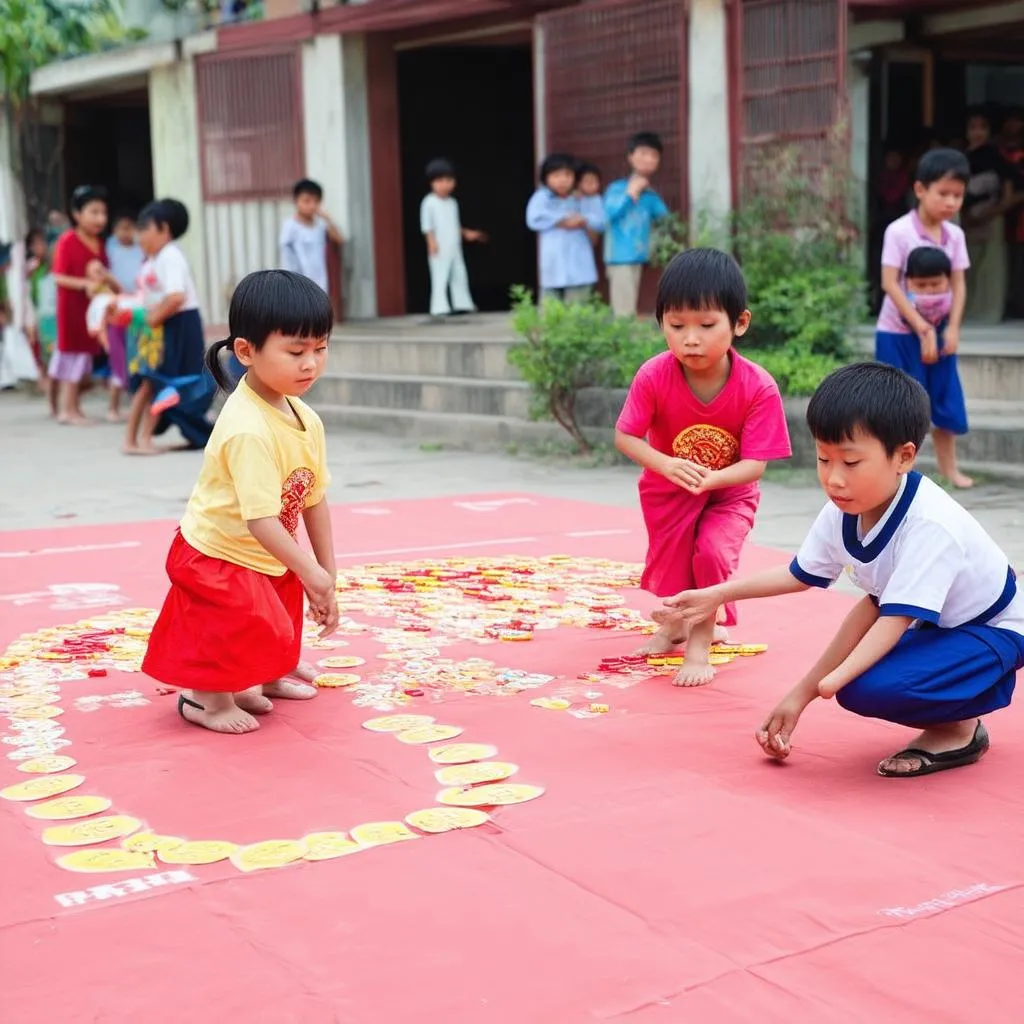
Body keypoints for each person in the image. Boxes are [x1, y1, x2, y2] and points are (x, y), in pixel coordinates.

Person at [663, 363, 1024, 778]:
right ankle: (950, 710)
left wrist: (825, 686)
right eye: (823, 458)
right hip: (936, 626)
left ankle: (960, 728)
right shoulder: (846, 507)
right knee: (855, 680)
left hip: (994, 632)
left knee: (865, 687)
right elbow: (803, 576)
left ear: (903, 456)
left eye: (851, 462)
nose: (833, 478)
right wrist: (718, 594)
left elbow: (890, 621)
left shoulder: (929, 524)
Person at [142, 270, 337, 735]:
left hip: (264, 548)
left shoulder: (303, 415)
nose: (310, 363)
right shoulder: (247, 427)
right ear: (246, 351)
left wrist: (326, 573)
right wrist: (311, 572)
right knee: (245, 621)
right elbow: (261, 522)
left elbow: (314, 498)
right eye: (295, 352)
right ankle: (203, 699)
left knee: (280, 613)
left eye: (321, 348)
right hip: (218, 551)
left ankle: (264, 677)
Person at [614, 248, 791, 683]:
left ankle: (700, 643)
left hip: (730, 493)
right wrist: (666, 465)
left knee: (711, 555)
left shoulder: (758, 387)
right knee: (673, 564)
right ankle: (674, 625)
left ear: (740, 323)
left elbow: (754, 466)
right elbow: (626, 436)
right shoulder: (653, 375)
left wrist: (714, 478)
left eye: (707, 325)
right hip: (667, 490)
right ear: (662, 325)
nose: (690, 338)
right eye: (676, 326)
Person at [875, 148, 972, 489]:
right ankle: (892, 475)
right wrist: (920, 326)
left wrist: (953, 328)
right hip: (899, 333)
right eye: (942, 193)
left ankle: (950, 471)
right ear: (920, 190)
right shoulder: (899, 232)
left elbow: (959, 284)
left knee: (945, 397)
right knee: (897, 404)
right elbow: (889, 283)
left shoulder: (955, 237)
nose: (950, 202)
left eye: (957, 195)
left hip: (940, 331)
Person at [125, 198, 214, 455]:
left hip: (178, 324)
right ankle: (137, 438)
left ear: (163, 229)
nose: (139, 235)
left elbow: (176, 297)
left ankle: (141, 437)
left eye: (145, 228)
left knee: (164, 383)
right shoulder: (153, 260)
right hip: (162, 325)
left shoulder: (170, 256)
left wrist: (154, 318)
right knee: (154, 382)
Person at [49, 186, 120, 425]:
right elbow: (58, 276)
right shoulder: (67, 241)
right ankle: (67, 410)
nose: (100, 218)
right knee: (72, 358)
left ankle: (74, 408)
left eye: (103, 213)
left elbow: (102, 274)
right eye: (94, 212)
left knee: (83, 361)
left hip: (92, 311)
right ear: (77, 214)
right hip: (71, 308)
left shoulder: (99, 243)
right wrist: (84, 284)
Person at [962, 110, 1023, 324]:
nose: (977, 132)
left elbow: (1011, 185)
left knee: (991, 267)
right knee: (969, 264)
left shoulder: (995, 155)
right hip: (967, 219)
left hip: (991, 217)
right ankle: (969, 310)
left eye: (982, 128)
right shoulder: (963, 156)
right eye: (973, 128)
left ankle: (989, 313)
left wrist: (996, 210)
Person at [603, 132, 669, 317]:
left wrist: (649, 192)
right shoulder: (617, 188)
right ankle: (623, 343)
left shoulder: (649, 194)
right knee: (624, 313)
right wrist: (631, 193)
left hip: (640, 257)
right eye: (643, 153)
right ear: (631, 156)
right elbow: (609, 214)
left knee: (632, 310)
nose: (648, 159)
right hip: (619, 258)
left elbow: (664, 218)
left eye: (653, 156)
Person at [525, 153, 604, 304]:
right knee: (551, 314)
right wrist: (563, 220)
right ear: (545, 178)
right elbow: (533, 219)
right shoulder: (542, 197)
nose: (562, 180)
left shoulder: (586, 199)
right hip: (552, 268)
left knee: (578, 313)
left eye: (567, 175)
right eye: (556, 175)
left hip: (580, 269)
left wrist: (582, 218)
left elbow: (600, 222)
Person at [419, 158, 486, 320]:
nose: (444, 185)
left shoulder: (452, 203)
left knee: (459, 274)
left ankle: (462, 303)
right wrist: (431, 242)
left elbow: (454, 224)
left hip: (454, 246)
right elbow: (427, 226)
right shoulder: (429, 203)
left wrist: (466, 233)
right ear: (432, 183)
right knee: (440, 275)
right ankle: (439, 307)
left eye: (448, 180)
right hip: (439, 246)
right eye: (439, 181)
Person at [278, 178, 343, 295]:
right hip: (297, 285)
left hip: (320, 284)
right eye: (307, 201)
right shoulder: (290, 227)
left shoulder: (320, 225)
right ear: (296, 201)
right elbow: (287, 257)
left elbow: (339, 239)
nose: (312, 205)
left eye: (316, 201)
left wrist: (327, 218)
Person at [575, 162, 605, 249]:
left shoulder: (598, 200)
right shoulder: (574, 197)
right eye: (587, 181)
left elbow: (601, 222)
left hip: (590, 235)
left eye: (594, 181)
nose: (591, 185)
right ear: (578, 183)